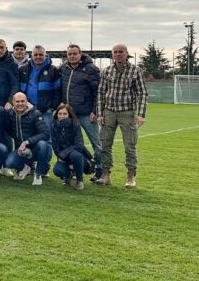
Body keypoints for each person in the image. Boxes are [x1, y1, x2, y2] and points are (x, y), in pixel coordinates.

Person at [96, 43, 147, 189]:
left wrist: (141, 114)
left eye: (121, 52)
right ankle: (105, 174)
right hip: (109, 112)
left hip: (127, 112)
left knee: (129, 146)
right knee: (105, 144)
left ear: (126, 54)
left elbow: (142, 93)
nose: (118, 54)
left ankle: (131, 176)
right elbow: (100, 93)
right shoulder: (106, 71)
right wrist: (100, 113)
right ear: (112, 54)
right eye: (115, 52)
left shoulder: (135, 70)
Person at [61, 44, 103, 180]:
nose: (72, 56)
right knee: (70, 143)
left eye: (74, 53)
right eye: (69, 54)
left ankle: (101, 170)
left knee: (96, 143)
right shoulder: (64, 68)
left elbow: (98, 92)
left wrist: (95, 111)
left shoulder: (91, 69)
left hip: (86, 113)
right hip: (69, 114)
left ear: (80, 54)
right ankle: (72, 168)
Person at [0, 92, 51, 186]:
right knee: (9, 163)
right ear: (13, 102)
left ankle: (38, 174)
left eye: (22, 101)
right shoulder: (10, 114)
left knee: (43, 145)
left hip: (35, 148)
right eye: (17, 101)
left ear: (26, 101)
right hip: (20, 150)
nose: (20, 104)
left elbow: (45, 133)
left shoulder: (35, 113)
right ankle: (24, 167)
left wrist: (27, 142)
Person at [18, 45, 61, 131]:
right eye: (36, 55)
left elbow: (58, 91)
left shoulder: (53, 70)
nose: (38, 57)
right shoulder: (22, 70)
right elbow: (18, 89)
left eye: (41, 55)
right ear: (32, 55)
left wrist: (52, 107)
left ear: (45, 55)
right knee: (28, 137)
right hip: (27, 110)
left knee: (46, 137)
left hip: (45, 112)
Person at [50, 104, 92, 190]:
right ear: (56, 115)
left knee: (75, 155)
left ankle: (79, 180)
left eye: (65, 114)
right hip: (64, 158)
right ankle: (68, 175)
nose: (62, 116)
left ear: (69, 115)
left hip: (79, 157)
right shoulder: (54, 126)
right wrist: (67, 161)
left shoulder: (76, 125)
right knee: (57, 171)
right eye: (59, 113)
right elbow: (55, 147)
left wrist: (63, 155)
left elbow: (79, 145)